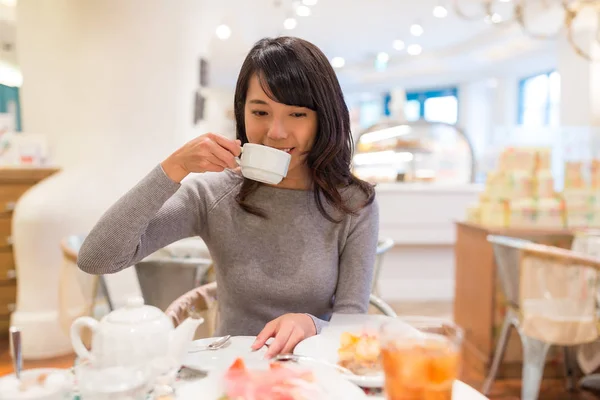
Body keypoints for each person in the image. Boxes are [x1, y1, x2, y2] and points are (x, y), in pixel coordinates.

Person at [77, 36, 379, 358]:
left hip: (319, 373)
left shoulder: (353, 203)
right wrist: (173, 168)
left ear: (324, 117)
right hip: (230, 371)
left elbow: (352, 323)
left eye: (297, 115)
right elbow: (97, 258)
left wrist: (311, 325)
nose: (276, 132)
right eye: (260, 112)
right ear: (242, 112)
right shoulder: (215, 195)